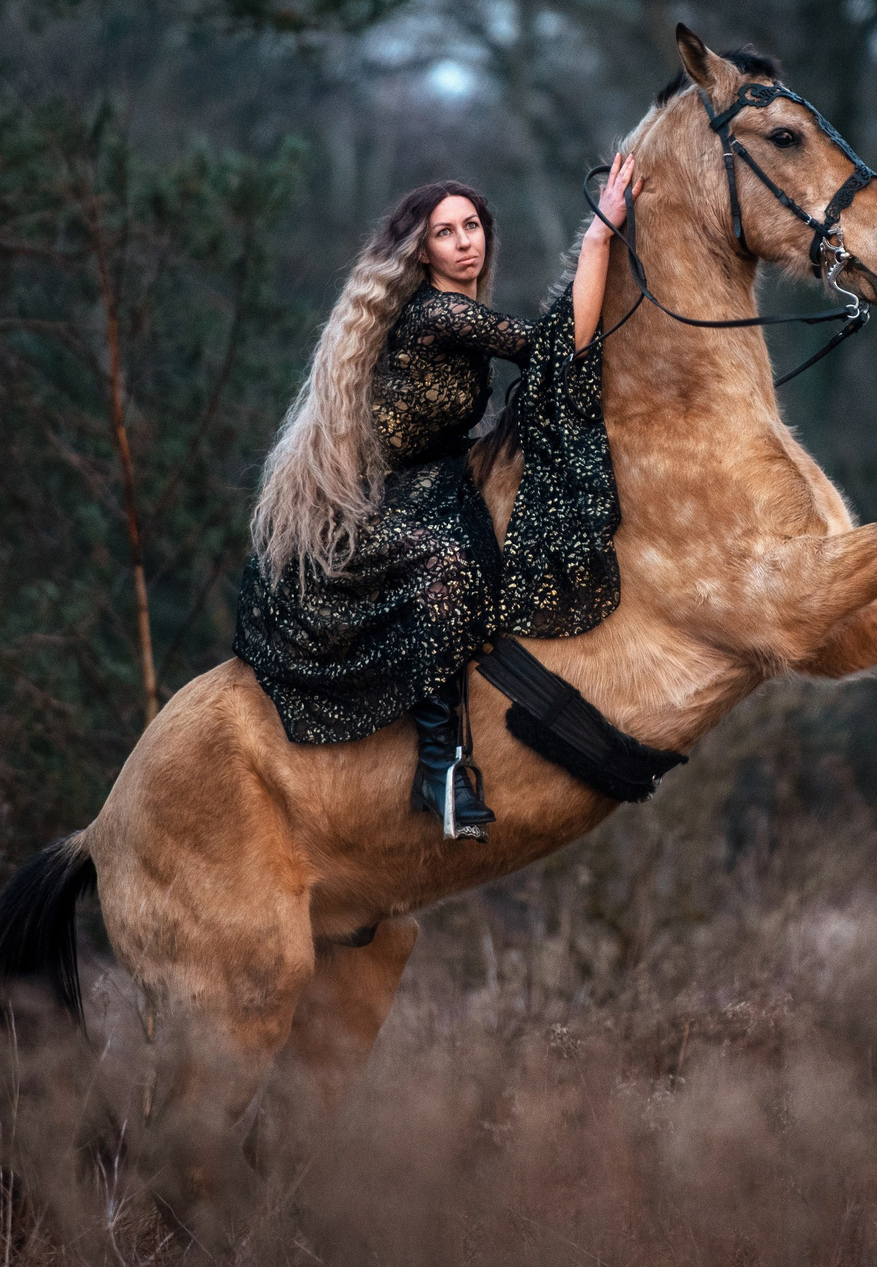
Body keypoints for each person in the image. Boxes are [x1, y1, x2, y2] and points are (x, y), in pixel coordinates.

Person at [234, 157, 644, 837]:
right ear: (421, 252)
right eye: (446, 232)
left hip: (442, 494)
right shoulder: (439, 313)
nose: (465, 240)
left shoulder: (462, 311)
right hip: (385, 512)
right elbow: (555, 345)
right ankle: (440, 768)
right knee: (447, 572)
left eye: (473, 225)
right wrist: (598, 236)